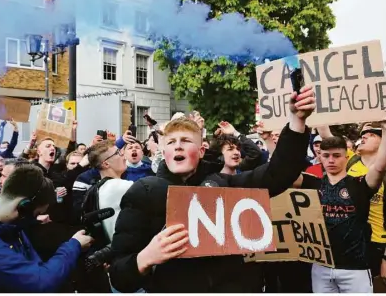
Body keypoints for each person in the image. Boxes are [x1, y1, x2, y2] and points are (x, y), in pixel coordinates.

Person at [109, 85, 316, 293]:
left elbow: (279, 174)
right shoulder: (143, 193)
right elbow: (119, 275)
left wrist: (297, 121)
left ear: (201, 151)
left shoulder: (226, 185)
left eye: (186, 141)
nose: (178, 146)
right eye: (171, 142)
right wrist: (146, 258)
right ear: (164, 151)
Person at [0, 164, 94, 292]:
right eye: (37, 214)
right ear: (24, 206)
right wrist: (73, 246)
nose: (36, 219)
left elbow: (35, 265)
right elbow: (41, 283)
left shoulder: (10, 229)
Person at [295, 122, 386, 293]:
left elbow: (380, 167)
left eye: (336, 155)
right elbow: (282, 173)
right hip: (321, 266)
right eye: (326, 155)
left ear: (347, 157)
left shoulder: (360, 184)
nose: (331, 160)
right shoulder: (312, 183)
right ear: (319, 156)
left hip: (355, 268)